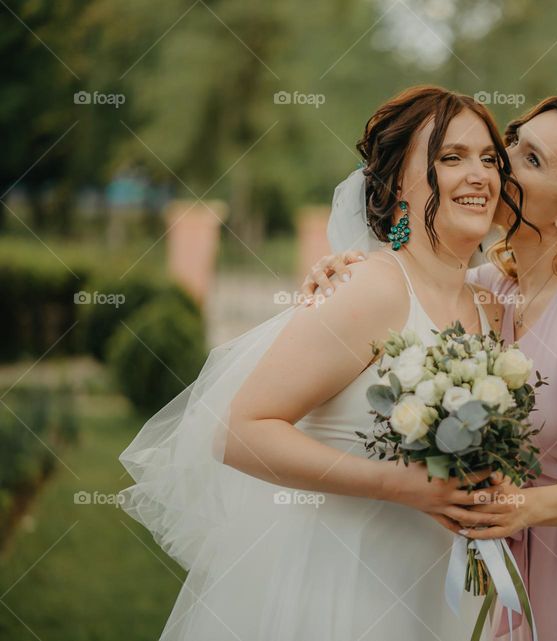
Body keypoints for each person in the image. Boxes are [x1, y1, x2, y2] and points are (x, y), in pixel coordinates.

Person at [118, 85, 529, 640]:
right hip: (342, 582)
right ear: (396, 184)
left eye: (488, 158)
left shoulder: (487, 302)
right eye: (450, 158)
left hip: (433, 592)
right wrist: (398, 485)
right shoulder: (371, 288)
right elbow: (238, 432)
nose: (479, 175)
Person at [302, 95, 557, 640]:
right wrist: (347, 265)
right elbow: (410, 295)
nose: (498, 160)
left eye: (531, 159)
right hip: (527, 577)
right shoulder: (497, 290)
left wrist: (525, 505)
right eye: (512, 142)